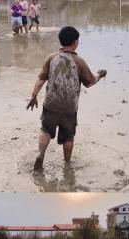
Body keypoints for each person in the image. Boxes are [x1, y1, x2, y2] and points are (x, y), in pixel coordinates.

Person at [27, 26, 107, 171]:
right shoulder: (79, 61)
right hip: (70, 107)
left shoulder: (51, 58)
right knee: (68, 137)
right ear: (75, 42)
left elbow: (41, 79)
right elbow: (90, 83)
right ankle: (67, 164)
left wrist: (33, 96)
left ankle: (40, 155)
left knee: (45, 129)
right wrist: (100, 76)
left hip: (51, 104)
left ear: (61, 41)